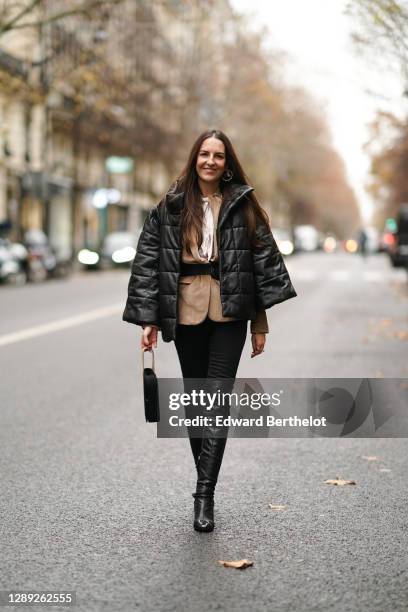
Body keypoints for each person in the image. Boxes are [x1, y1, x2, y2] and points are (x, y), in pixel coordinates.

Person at [123, 129, 297, 532]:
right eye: (204, 154)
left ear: (227, 162)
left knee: (217, 399)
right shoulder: (169, 206)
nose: (211, 161)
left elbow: (258, 267)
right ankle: (206, 483)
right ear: (194, 158)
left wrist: (260, 323)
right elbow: (149, 262)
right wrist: (148, 319)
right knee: (196, 401)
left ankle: (204, 495)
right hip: (184, 311)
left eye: (218, 155)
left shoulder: (243, 204)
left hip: (230, 311)